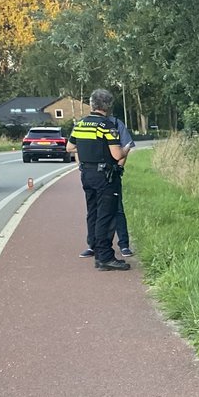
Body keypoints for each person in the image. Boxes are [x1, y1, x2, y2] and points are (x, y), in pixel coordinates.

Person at [67, 89, 131, 271]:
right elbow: (117, 154)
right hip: (105, 176)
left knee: (93, 212)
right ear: (107, 106)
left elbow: (69, 147)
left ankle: (94, 247)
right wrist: (125, 150)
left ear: (92, 104)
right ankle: (105, 257)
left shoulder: (80, 124)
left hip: (86, 174)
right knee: (107, 215)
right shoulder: (106, 126)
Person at [79, 111, 135, 258]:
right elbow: (75, 146)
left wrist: (119, 168)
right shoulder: (86, 123)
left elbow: (126, 145)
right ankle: (93, 245)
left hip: (110, 173)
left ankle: (123, 244)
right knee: (95, 211)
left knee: (116, 209)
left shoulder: (115, 124)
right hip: (95, 173)